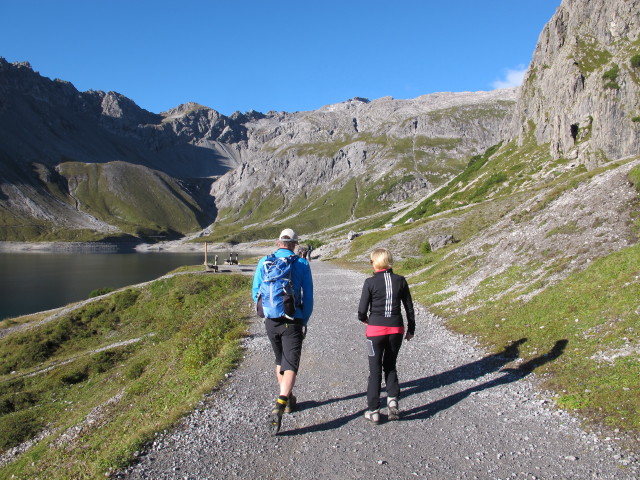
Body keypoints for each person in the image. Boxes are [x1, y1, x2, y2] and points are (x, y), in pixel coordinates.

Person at [252, 228, 314, 434]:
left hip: (271, 321)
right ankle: (280, 403)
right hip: (293, 319)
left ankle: (287, 399)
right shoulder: (302, 263)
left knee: (280, 361)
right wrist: (303, 318)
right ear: (295, 244)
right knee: (291, 364)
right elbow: (309, 296)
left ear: (278, 243)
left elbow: (256, 292)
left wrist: (270, 309)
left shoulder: (264, 262)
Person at [357, 248, 415, 424]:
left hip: (374, 331)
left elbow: (361, 311)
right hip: (396, 330)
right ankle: (392, 400)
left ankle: (374, 411)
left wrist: (366, 320)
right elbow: (409, 308)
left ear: (375, 262)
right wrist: (411, 329)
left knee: (374, 372)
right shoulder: (401, 280)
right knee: (390, 365)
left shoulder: (370, 282)